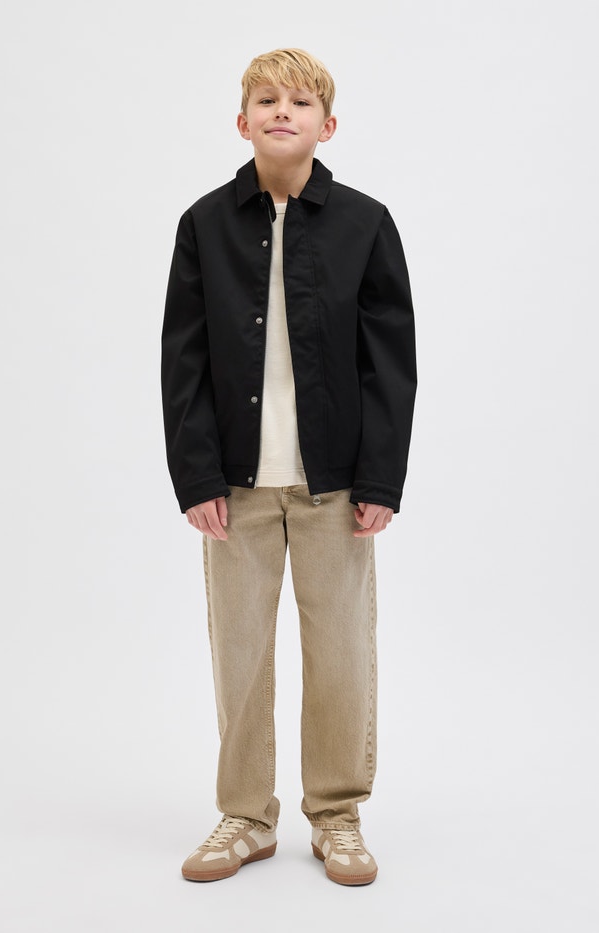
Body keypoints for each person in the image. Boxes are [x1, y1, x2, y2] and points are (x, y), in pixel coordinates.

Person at [161, 48, 417, 886]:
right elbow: (183, 360)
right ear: (242, 121)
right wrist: (197, 476)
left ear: (327, 125)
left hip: (335, 486)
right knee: (240, 655)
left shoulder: (364, 223)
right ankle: (245, 814)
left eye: (301, 102)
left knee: (340, 652)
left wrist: (379, 480)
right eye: (267, 99)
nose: (283, 111)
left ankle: (337, 815)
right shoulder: (204, 224)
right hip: (234, 487)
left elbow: (390, 361)